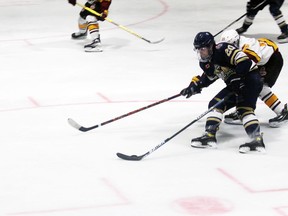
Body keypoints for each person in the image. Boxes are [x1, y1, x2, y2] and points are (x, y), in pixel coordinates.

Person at [180, 32, 265, 153]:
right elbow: (209, 78)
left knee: (244, 109)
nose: (200, 52)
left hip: (251, 79)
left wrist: (238, 78)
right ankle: (209, 137)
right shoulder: (205, 63)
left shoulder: (224, 49)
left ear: (211, 46)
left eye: (202, 49)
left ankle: (257, 140)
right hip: (236, 84)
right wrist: (194, 86)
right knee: (216, 103)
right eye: (198, 49)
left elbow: (244, 61)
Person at [220, 29, 288, 127]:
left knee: (259, 86)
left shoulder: (247, 48)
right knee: (246, 86)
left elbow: (251, 63)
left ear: (236, 42)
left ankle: (282, 111)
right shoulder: (232, 45)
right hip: (261, 60)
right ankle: (242, 111)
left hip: (272, 61)